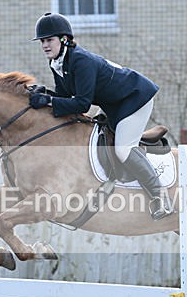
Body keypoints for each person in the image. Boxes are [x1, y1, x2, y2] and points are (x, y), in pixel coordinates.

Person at [28, 12, 173, 220]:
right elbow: (64, 96)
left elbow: (82, 103)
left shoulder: (80, 61)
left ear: (64, 39)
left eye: (49, 40)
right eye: (42, 41)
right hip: (114, 103)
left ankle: (161, 197)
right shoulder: (58, 63)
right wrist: (46, 94)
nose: (44, 45)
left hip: (135, 98)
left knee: (123, 149)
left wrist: (49, 102)